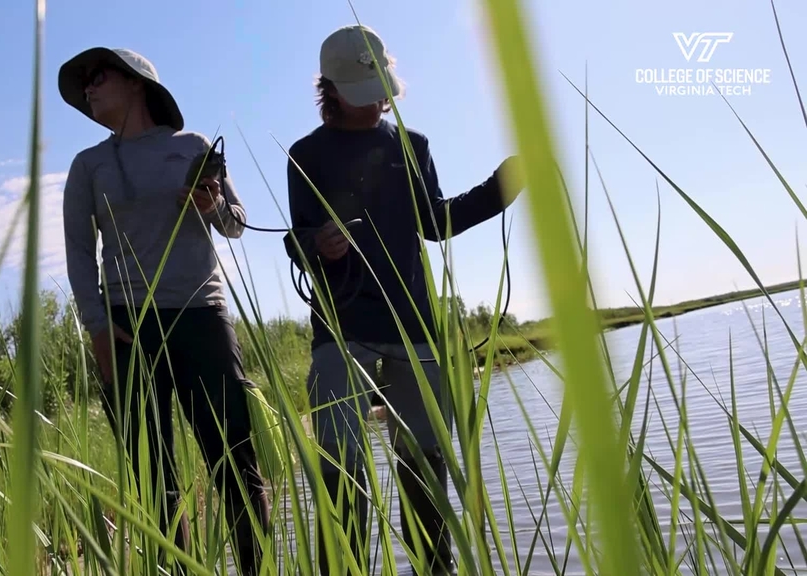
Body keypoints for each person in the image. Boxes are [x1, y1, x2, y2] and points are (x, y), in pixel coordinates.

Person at [283, 25, 525, 575]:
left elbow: (436, 222)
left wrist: (503, 186)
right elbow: (296, 239)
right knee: (341, 467)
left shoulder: (410, 146)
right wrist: (316, 244)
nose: (376, 106)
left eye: (381, 91)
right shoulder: (305, 155)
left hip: (413, 329)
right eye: (363, 94)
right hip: (340, 331)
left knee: (423, 463)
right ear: (331, 90)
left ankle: (433, 569)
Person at [58, 47, 270, 575]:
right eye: (83, 83)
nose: (88, 87)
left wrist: (212, 203)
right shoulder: (89, 166)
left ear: (136, 82)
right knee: (155, 479)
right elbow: (80, 254)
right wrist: (98, 328)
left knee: (236, 464)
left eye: (97, 76)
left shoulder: (192, 146)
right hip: (129, 328)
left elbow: (237, 224)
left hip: (202, 314)